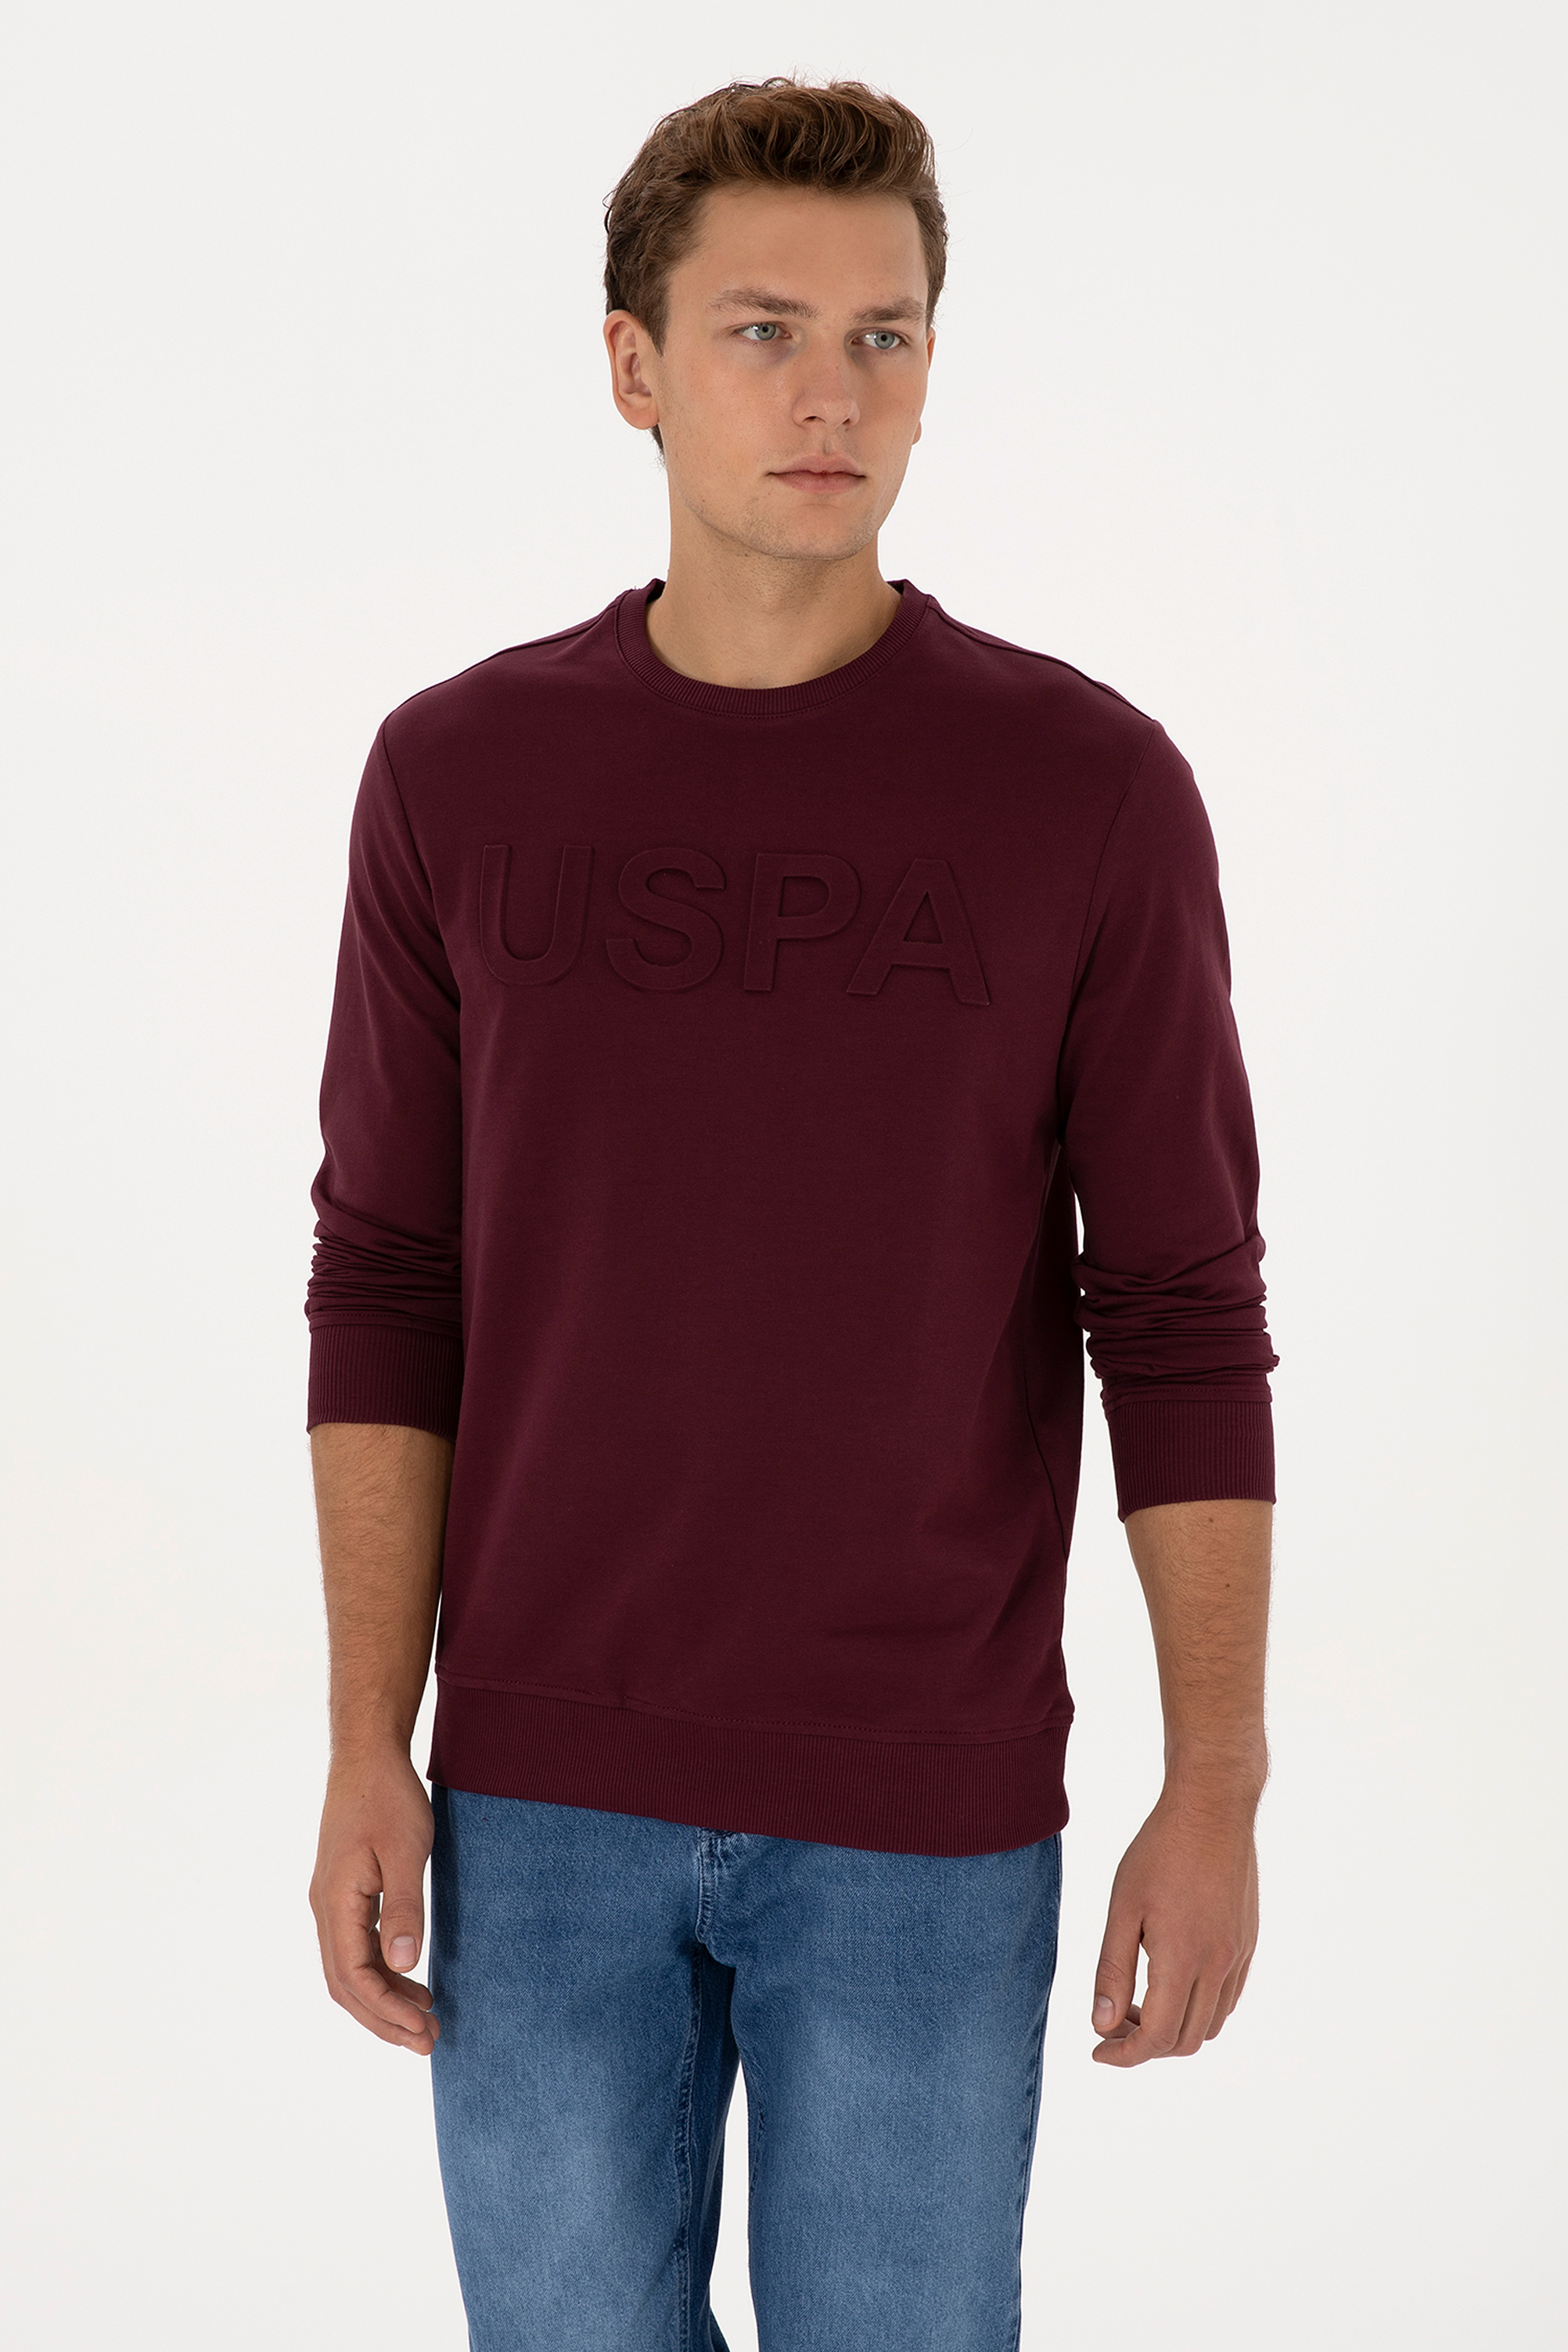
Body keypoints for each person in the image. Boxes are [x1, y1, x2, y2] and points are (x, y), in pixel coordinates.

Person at [304, 75, 1278, 2351]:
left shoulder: (1087, 791)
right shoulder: (456, 775)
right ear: (631, 365)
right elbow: (390, 1279)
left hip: (926, 1808)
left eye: (882, 336)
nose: (831, 393)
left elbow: (1178, 1308)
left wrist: (1214, 1784)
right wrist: (368, 1737)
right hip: (538, 1796)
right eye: (761, 331)